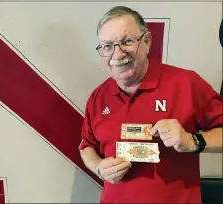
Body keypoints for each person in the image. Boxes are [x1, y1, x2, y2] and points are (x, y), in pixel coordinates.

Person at [78, 6, 223, 203]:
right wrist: (98, 167)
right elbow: (87, 146)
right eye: (107, 46)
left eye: (127, 41)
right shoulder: (98, 97)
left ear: (147, 41)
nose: (118, 54)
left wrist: (193, 141)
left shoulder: (186, 83)